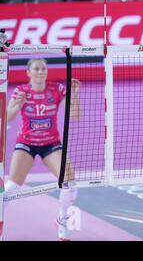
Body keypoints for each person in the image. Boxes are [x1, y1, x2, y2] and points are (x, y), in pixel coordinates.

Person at [4, 58, 82, 241]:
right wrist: (18, 104)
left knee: (69, 182)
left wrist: (74, 95)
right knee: (11, 186)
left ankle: (62, 220)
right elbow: (7, 118)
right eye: (37, 69)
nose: (41, 72)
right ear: (28, 73)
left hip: (51, 144)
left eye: (43, 69)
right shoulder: (21, 91)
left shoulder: (56, 89)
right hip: (27, 143)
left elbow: (76, 116)